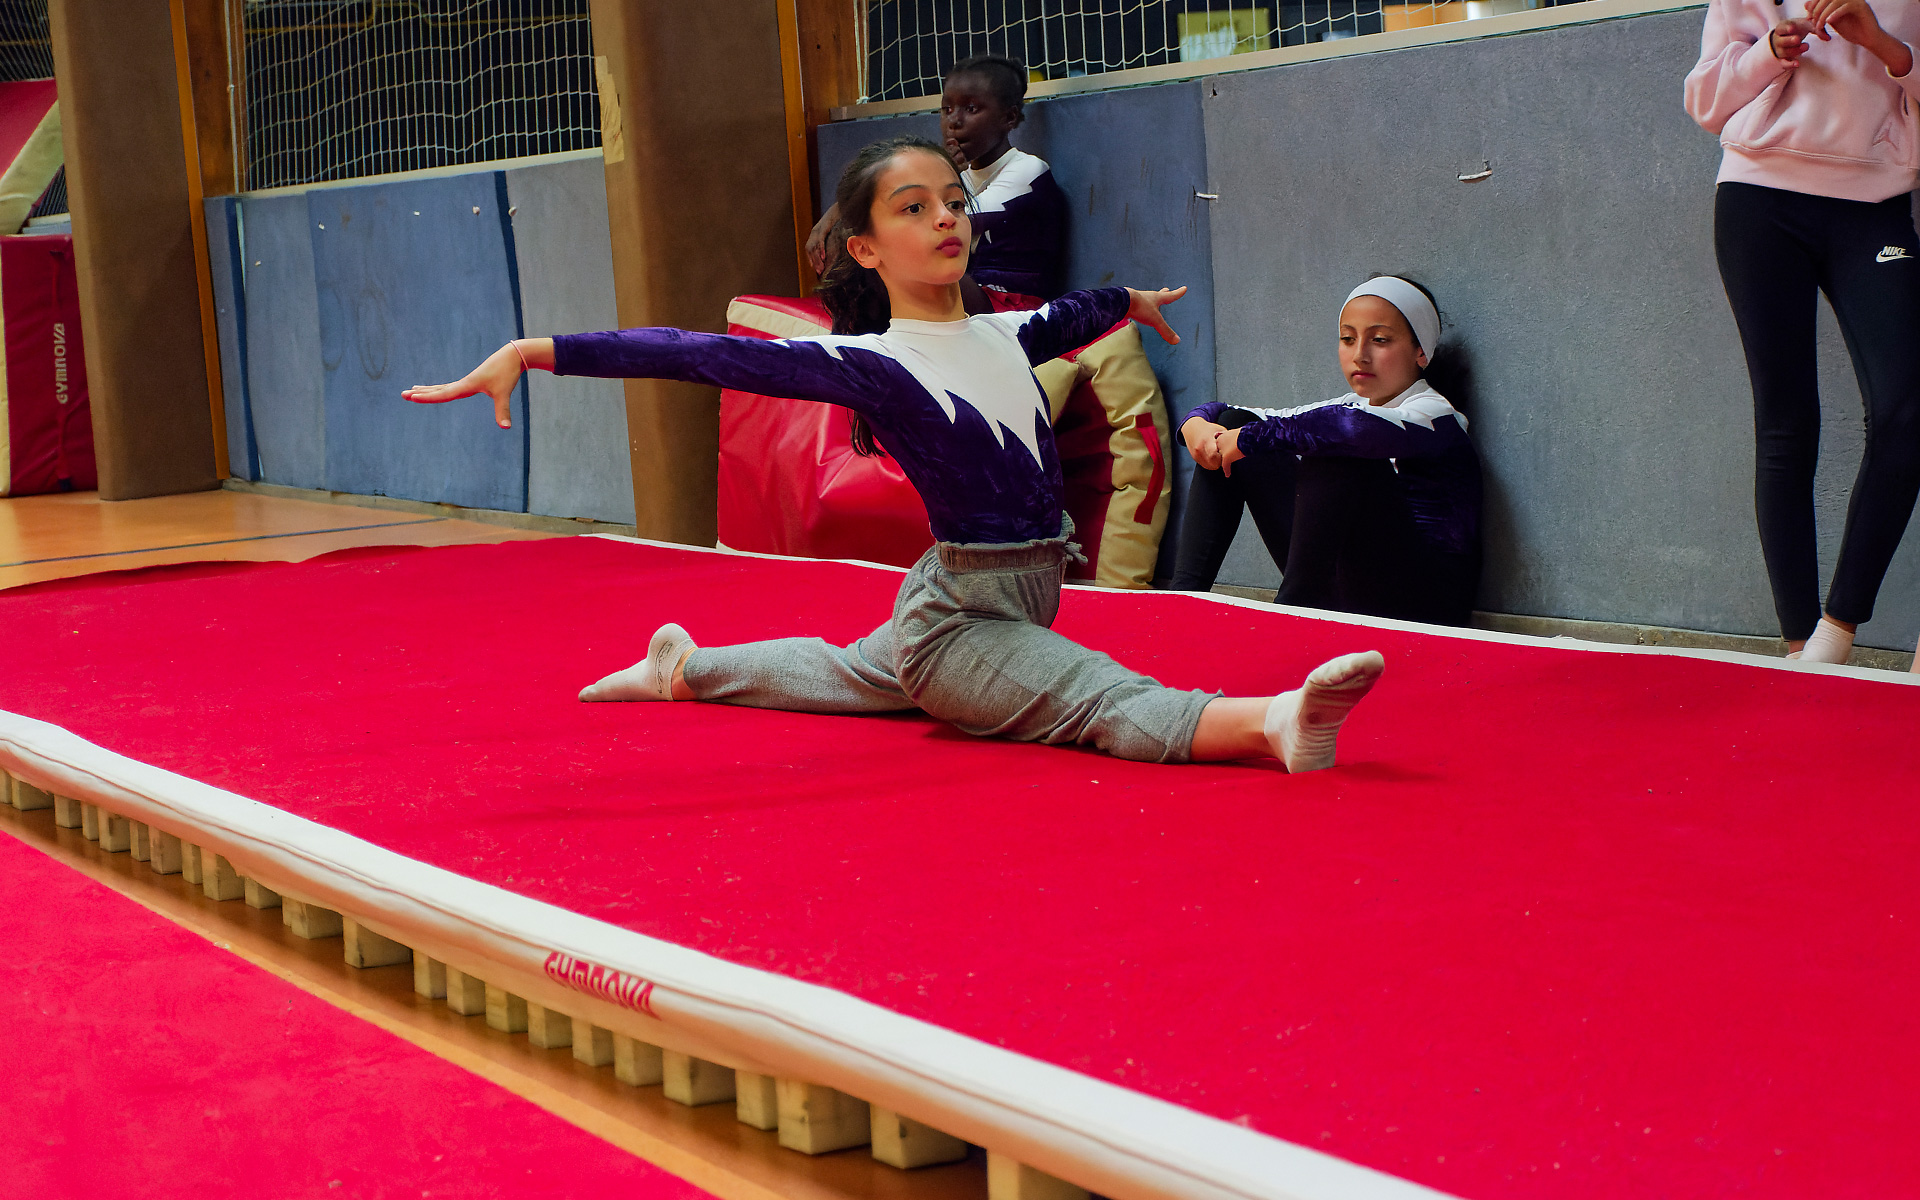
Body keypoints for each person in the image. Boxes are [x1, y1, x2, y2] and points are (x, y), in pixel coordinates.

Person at [405, 135, 1384, 771]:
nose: (945, 216)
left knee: (853, 674)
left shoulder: (1005, 334)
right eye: (911, 208)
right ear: (866, 248)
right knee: (1099, 695)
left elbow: (1072, 311)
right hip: (960, 622)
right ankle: (1271, 723)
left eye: (952, 201)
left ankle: (686, 668)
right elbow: (695, 355)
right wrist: (538, 352)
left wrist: (1127, 303)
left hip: (965, 597)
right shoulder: (874, 366)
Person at [1686, 0, 1920, 665]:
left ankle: (1835, 632)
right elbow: (1704, 99)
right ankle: (1800, 653)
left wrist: (1879, 41)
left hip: (1874, 207)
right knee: (1786, 423)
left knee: (1906, 410)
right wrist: (1769, 52)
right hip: (1760, 198)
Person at [1170, 277, 1482, 627]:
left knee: (1332, 442)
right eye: (1348, 339)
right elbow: (1238, 415)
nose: (1359, 354)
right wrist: (1196, 425)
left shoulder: (1437, 414)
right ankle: (1181, 603)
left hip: (1421, 607)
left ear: (1420, 352)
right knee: (1234, 422)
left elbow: (1351, 429)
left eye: (1379, 340)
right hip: (1349, 589)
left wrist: (1247, 440)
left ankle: (1292, 615)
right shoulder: (1351, 405)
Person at [807, 55, 1069, 300]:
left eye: (971, 108)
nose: (954, 121)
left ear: (1008, 117)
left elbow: (947, 227)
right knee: (853, 238)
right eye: (947, 109)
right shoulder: (964, 179)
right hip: (971, 297)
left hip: (1014, 305)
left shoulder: (1028, 171)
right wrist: (837, 214)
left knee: (887, 250)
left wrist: (938, 168)